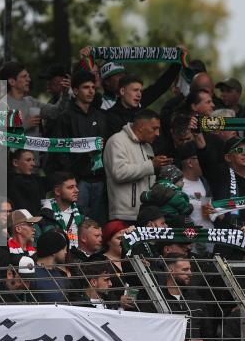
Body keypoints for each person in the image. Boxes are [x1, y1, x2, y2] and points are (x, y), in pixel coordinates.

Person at [46, 69, 106, 223]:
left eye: (93, 87)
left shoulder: (100, 116)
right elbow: (59, 149)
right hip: (78, 181)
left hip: (100, 179)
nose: (91, 91)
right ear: (76, 90)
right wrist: (73, 178)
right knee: (77, 223)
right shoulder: (65, 117)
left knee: (96, 225)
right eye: (86, 87)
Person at [104, 109, 169, 222]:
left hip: (146, 214)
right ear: (140, 126)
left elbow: (148, 176)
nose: (158, 133)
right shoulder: (117, 141)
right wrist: (152, 165)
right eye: (154, 128)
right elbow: (119, 173)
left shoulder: (148, 146)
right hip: (124, 215)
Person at [39, 172, 83, 247]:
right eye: (70, 187)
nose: (77, 190)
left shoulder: (81, 213)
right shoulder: (45, 215)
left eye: (76, 186)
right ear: (57, 191)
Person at [31, 230, 71, 303]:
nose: (66, 252)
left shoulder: (60, 274)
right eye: (63, 249)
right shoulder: (31, 274)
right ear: (54, 251)